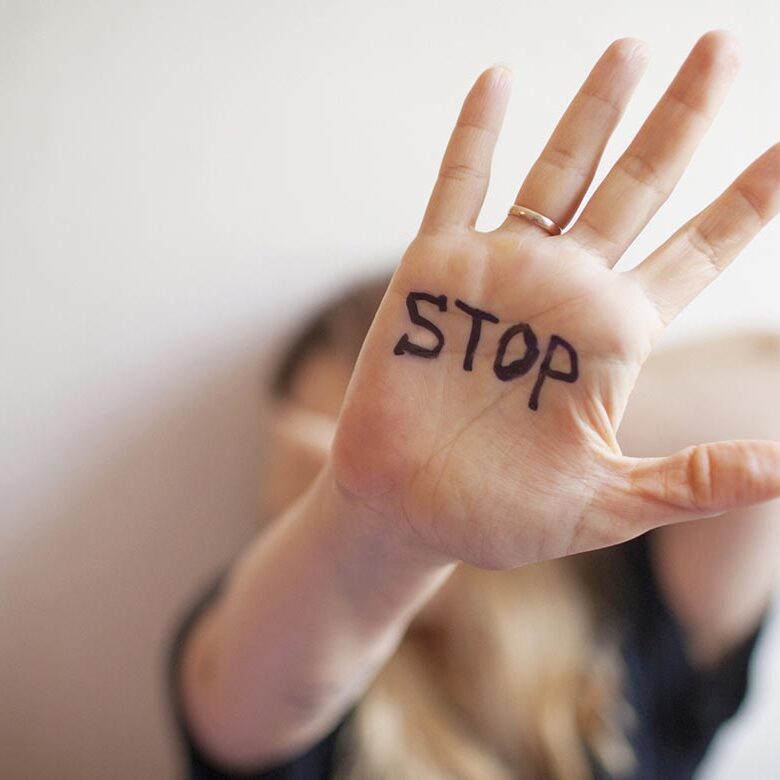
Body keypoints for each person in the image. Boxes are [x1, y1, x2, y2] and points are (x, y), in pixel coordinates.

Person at [167, 30, 780, 780]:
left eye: (363, 435)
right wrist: (362, 525)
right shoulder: (275, 666)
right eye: (326, 451)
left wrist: (544, 399)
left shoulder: (630, 628)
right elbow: (244, 706)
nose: (376, 464)